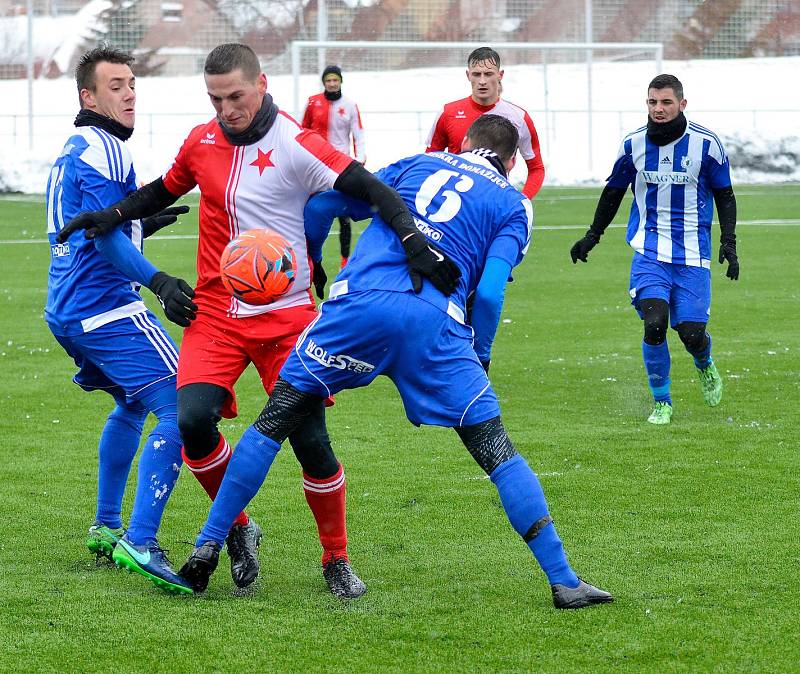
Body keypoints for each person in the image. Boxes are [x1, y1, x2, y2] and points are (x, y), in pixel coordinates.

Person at [57, 43, 461, 598]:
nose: (226, 110)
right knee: (193, 422)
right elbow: (163, 189)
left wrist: (413, 240)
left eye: (236, 97)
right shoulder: (201, 141)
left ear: (262, 84)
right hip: (216, 315)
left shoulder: (297, 143)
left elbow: (370, 187)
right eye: (215, 99)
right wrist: (113, 214)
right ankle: (239, 530)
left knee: (309, 441)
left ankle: (336, 559)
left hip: (287, 318)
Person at [178, 115, 613, 610]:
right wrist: (481, 353)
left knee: (275, 421)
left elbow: (321, 204)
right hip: (435, 327)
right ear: (512, 162)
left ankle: (207, 548)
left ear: (465, 142)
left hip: (358, 308)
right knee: (497, 451)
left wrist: (315, 261)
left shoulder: (415, 163)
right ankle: (564, 581)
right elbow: (490, 294)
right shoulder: (515, 204)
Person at [46, 45, 197, 593]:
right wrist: (158, 281)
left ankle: (107, 527)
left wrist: (144, 223)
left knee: (131, 407)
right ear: (88, 96)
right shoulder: (104, 146)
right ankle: (141, 537)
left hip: (66, 309)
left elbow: (85, 228)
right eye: (116, 86)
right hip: (107, 308)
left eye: (132, 83)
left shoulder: (72, 148)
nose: (130, 93)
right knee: (183, 408)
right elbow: (104, 234)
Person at [570, 74, 738, 424]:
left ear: (682, 104)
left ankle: (704, 363)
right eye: (652, 102)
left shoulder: (706, 145)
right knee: (655, 323)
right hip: (650, 252)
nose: (658, 109)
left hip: (693, 255)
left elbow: (724, 194)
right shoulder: (633, 145)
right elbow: (613, 192)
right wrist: (592, 235)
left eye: (666, 102)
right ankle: (662, 402)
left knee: (692, 334)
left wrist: (729, 242)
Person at [426, 47, 545, 200]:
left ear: (500, 75)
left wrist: (522, 200)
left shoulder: (519, 117)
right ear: (468, 75)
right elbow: (430, 161)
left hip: (495, 203)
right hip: (455, 205)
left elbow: (536, 168)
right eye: (476, 74)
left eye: (488, 74)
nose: (482, 81)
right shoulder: (448, 113)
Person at [302, 65, 366, 268]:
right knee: (308, 208)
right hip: (314, 163)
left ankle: (344, 259)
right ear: (324, 82)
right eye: (328, 80)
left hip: (340, 164)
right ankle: (307, 254)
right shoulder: (313, 102)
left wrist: (360, 157)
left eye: (335, 80)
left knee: (344, 214)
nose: (332, 83)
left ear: (340, 81)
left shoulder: (349, 105)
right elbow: (302, 129)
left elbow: (358, 133)